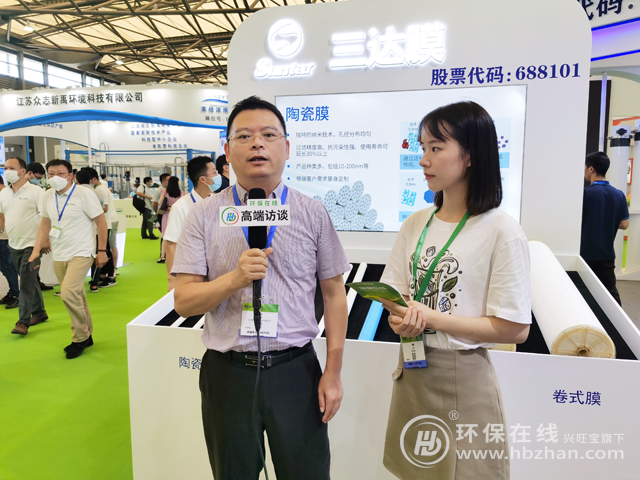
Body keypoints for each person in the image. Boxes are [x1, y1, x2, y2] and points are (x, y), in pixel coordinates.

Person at [173, 96, 350, 480]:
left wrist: (333, 371)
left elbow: (335, 293)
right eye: (244, 136)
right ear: (227, 151)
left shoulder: (312, 212)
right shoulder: (202, 215)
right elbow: (184, 301)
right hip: (228, 375)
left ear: (286, 147)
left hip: (296, 372)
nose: (257, 143)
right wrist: (234, 279)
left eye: (269, 135)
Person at [378, 101, 531, 480]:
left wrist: (431, 318)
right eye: (422, 147)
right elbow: (393, 291)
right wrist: (400, 317)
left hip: (464, 377)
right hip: (413, 370)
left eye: (436, 147)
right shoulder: (417, 222)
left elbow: (515, 328)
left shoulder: (502, 230)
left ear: (470, 155)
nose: (423, 160)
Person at [30, 159, 108, 359]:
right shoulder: (48, 195)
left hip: (82, 252)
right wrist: (37, 248)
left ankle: (79, 337)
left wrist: (101, 250)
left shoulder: (84, 194)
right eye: (51, 173)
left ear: (71, 176)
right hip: (59, 253)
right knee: (77, 295)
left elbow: (101, 222)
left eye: (60, 173)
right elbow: (45, 223)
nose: (55, 177)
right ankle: (87, 334)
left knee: (68, 293)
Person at [0, 157, 48, 334]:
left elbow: (46, 217)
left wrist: (45, 241)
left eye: (11, 168)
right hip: (13, 243)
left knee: (26, 282)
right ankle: (40, 312)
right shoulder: (4, 193)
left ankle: (23, 322)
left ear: (22, 171)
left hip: (32, 244)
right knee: (29, 279)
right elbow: (2, 215)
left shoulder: (37, 192)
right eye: (5, 168)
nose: (7, 171)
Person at [581, 152, 629, 306]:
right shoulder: (619, 195)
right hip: (607, 255)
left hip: (585, 255)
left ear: (591, 169)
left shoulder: (585, 194)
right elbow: (625, 224)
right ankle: (617, 321)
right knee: (610, 295)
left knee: (583, 293)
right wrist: (607, 220)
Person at [163, 156, 218, 290]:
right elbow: (171, 244)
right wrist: (172, 279)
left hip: (217, 271)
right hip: (191, 272)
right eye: (214, 172)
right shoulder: (180, 207)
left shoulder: (219, 202)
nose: (218, 176)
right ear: (203, 179)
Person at [76, 168, 116, 291]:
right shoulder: (95, 191)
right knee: (102, 251)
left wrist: (89, 213)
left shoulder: (97, 191)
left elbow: (105, 208)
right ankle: (101, 277)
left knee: (102, 251)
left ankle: (108, 277)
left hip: (100, 226)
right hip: (96, 226)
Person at [0, 175, 20, 310]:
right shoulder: (7, 193)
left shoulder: (3, 195)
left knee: (8, 267)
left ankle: (16, 294)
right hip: (5, 236)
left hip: (4, 237)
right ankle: (13, 292)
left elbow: (1, 217)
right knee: (6, 267)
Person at [157, 176, 185, 264]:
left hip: (167, 215)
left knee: (165, 236)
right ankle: (177, 255)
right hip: (177, 215)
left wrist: (168, 206)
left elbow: (159, 203)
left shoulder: (165, 191)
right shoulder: (182, 193)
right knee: (178, 235)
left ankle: (162, 256)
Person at [153, 173, 170, 263]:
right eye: (168, 180)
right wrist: (156, 212)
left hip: (170, 215)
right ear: (163, 181)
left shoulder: (170, 190)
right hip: (161, 215)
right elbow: (154, 203)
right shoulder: (158, 191)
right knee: (164, 234)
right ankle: (163, 255)